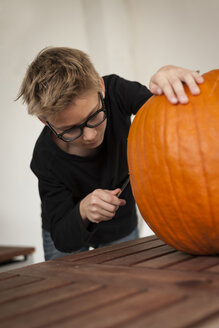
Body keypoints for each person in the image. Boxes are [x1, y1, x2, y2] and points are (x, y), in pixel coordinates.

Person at [16, 47, 204, 260]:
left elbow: (171, 117)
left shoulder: (117, 91)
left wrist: (168, 83)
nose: (89, 135)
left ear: (101, 88)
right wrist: (84, 211)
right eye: (70, 130)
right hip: (69, 225)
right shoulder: (45, 159)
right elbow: (62, 239)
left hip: (120, 220)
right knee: (71, 287)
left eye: (94, 116)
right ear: (44, 120)